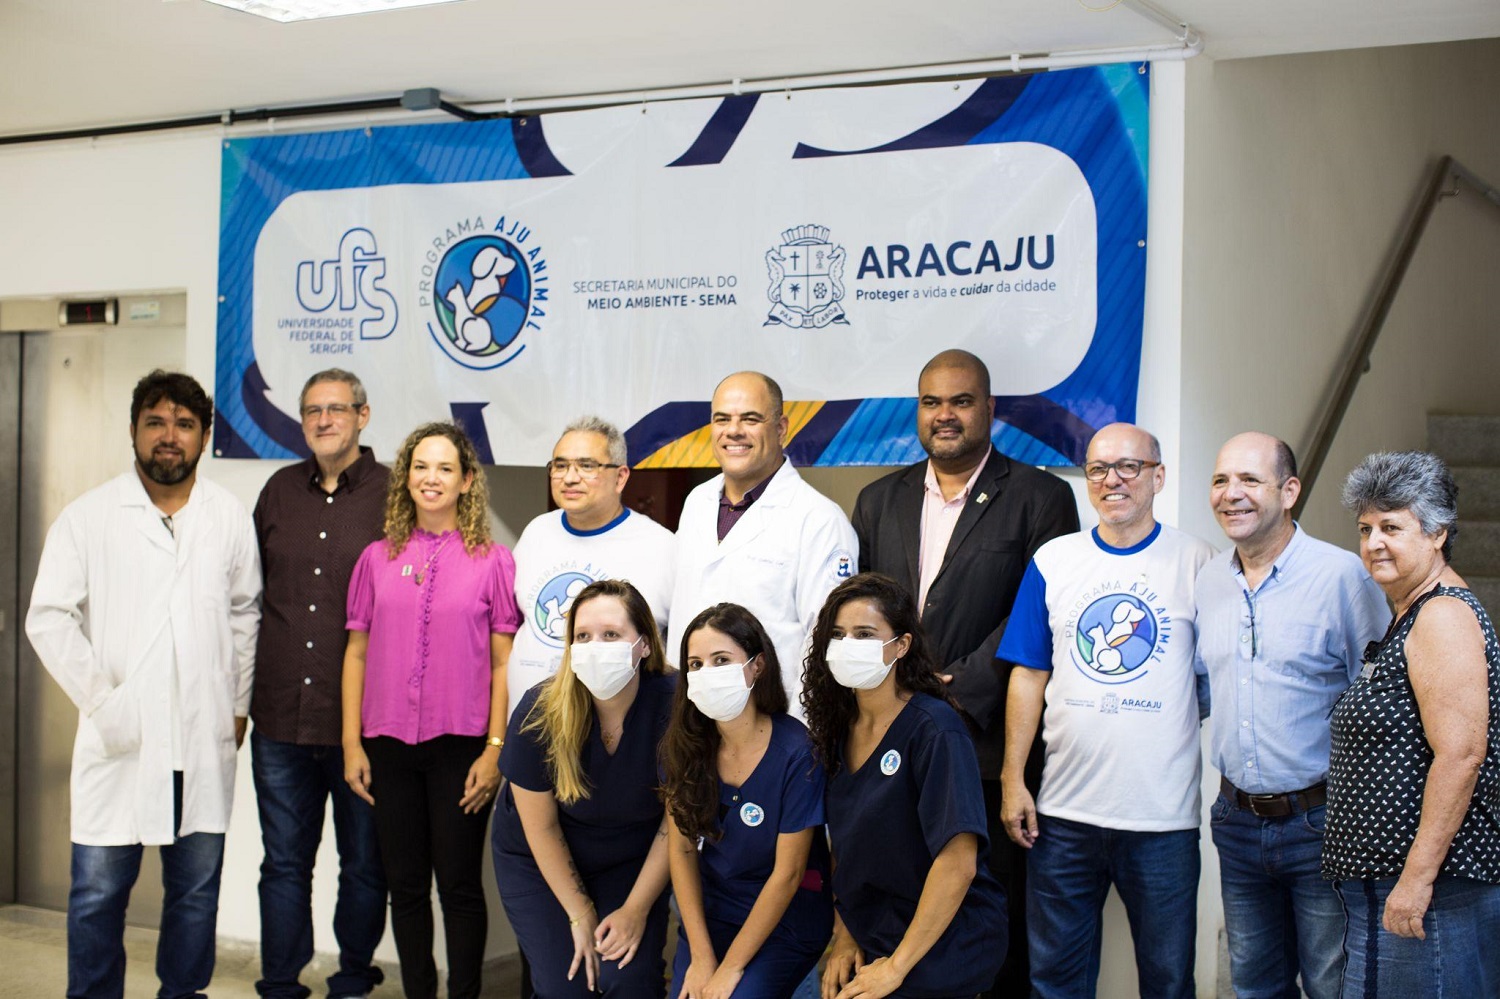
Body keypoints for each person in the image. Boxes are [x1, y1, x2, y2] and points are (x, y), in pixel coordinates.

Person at [25, 369, 261, 999]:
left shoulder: (227, 518)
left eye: (184, 425)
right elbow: (47, 616)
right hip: (121, 743)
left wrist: (236, 707)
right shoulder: (89, 516)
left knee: (193, 896)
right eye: (155, 422)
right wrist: (105, 703)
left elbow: (246, 613)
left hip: (202, 736)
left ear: (204, 437)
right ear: (133, 430)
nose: (169, 437)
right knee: (98, 897)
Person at [851, 347, 1077, 994]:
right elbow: (864, 610)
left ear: (989, 409)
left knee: (991, 922)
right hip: (894, 739)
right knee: (901, 908)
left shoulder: (1041, 496)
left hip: (984, 744)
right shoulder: (876, 500)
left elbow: (1034, 614)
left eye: (960, 400)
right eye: (931, 401)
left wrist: (950, 688)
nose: (944, 414)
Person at [998, 423, 1214, 999]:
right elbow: (1027, 674)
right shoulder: (1054, 559)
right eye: (1097, 468)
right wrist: (1013, 779)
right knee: (1056, 983)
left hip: (1162, 821)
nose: (1112, 479)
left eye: (1129, 466)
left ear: (1158, 476)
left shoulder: (1198, 561)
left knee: (1168, 983)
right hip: (1062, 816)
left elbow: (1213, 681)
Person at [1194, 432, 1388, 999]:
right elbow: (1206, 688)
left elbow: (1377, 701)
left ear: (1290, 490)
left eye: (1250, 480)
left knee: (1332, 982)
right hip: (1236, 821)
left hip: (1321, 822)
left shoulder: (1343, 577)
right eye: (1221, 480)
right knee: (1254, 983)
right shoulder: (1209, 581)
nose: (1232, 494)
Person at [341, 420, 519, 999]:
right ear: (406, 478)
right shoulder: (376, 559)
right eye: (421, 466)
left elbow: (502, 664)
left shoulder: (494, 561)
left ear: (467, 480)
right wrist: (350, 743)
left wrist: (495, 750)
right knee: (406, 886)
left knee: (461, 887)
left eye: (445, 467)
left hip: (461, 748)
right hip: (388, 745)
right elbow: (357, 652)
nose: (431, 478)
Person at [1324, 451, 1500, 995]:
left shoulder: (1443, 615)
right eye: (1365, 528)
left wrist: (1416, 880)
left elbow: (1461, 754)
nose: (1374, 542)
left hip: (1429, 891)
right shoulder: (1411, 612)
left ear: (1437, 533)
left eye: (1392, 527)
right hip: (1391, 884)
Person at [250, 368, 388, 999]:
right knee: (283, 865)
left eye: (337, 409)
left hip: (361, 720)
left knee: (364, 865)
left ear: (363, 415)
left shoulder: (397, 494)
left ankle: (353, 979)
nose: (323, 420)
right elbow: (248, 596)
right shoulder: (277, 491)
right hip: (279, 716)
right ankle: (279, 983)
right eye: (312, 411)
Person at [803, 572, 1007, 999]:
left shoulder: (935, 729)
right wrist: (845, 934)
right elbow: (846, 846)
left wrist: (896, 968)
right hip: (876, 931)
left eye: (864, 634)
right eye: (838, 635)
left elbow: (958, 862)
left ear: (901, 645)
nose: (848, 645)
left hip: (946, 940)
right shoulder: (838, 730)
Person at [494, 578, 675, 998]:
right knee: (569, 985)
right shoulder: (540, 712)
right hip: (538, 856)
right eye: (583, 636)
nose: (595, 646)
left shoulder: (676, 704)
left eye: (611, 634)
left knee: (626, 981)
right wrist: (579, 913)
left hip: (632, 860)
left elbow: (677, 821)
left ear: (645, 643)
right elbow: (541, 829)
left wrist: (635, 910)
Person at [662, 603, 833, 999]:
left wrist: (731, 968)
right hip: (715, 910)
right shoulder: (685, 746)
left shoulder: (797, 753)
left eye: (721, 660)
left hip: (786, 918)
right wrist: (703, 957)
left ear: (757, 666)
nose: (706, 673)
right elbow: (682, 850)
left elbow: (788, 874)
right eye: (695, 664)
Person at [670, 371, 857, 713]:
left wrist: (800, 738)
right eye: (722, 419)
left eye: (751, 419)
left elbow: (826, 644)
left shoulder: (819, 519)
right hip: (690, 721)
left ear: (781, 428)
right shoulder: (697, 502)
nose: (734, 431)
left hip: (772, 725)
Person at [509, 415, 675, 719]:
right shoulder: (537, 532)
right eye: (560, 466)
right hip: (530, 727)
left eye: (586, 466)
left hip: (615, 732)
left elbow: (678, 649)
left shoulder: (660, 546)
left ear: (621, 477)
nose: (569, 478)